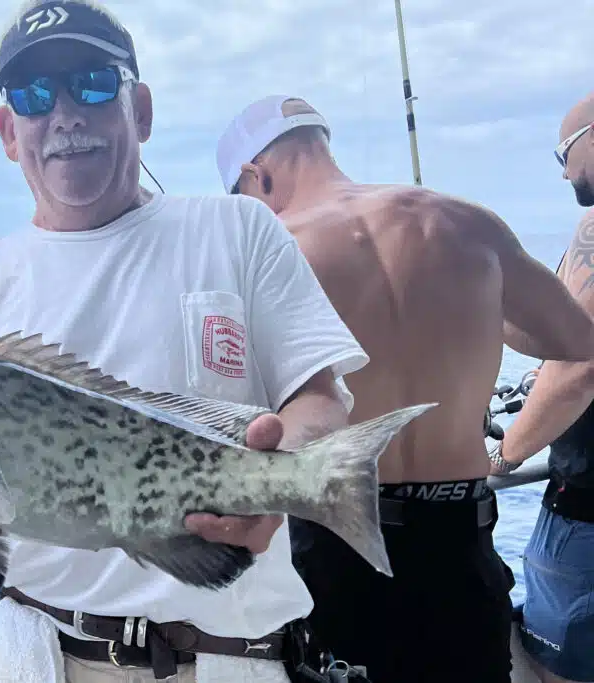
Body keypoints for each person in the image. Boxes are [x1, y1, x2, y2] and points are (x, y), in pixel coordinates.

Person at [0, 2, 379, 681]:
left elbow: (319, 401)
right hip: (38, 657)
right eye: (33, 94)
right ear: (9, 130)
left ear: (141, 109)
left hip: (231, 662)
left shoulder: (239, 230)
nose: (64, 114)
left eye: (92, 83)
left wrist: (283, 473)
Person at [215, 94, 594, 683]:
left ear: (254, 175)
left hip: (337, 549)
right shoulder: (467, 223)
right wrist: (468, 305)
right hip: (462, 543)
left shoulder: (264, 250)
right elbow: (576, 341)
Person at [495, 91, 594, 683]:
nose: (563, 174)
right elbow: (562, 335)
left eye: (565, 154)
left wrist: (505, 455)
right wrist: (487, 303)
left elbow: (581, 363)